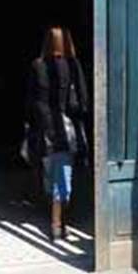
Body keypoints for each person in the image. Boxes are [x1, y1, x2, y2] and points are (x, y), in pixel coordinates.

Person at [25, 26, 89, 243]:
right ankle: (58, 225)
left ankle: (57, 223)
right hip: (64, 131)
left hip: (43, 132)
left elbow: (30, 102)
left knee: (51, 178)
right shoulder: (72, 65)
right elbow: (82, 101)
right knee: (63, 181)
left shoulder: (37, 65)